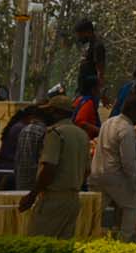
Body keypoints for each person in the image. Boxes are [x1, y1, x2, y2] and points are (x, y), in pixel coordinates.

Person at [20, 98, 90, 239]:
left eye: (48, 111)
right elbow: (87, 171)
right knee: (62, 248)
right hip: (73, 199)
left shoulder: (55, 133)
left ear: (56, 112)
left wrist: (32, 196)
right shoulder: (82, 135)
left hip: (53, 199)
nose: (45, 114)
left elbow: (49, 168)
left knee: (38, 244)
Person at [91, 93, 136, 242]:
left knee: (95, 212)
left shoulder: (108, 123)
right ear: (135, 110)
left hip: (97, 173)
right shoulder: (127, 129)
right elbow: (128, 162)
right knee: (132, 206)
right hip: (115, 176)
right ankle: (123, 243)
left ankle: (87, 236)